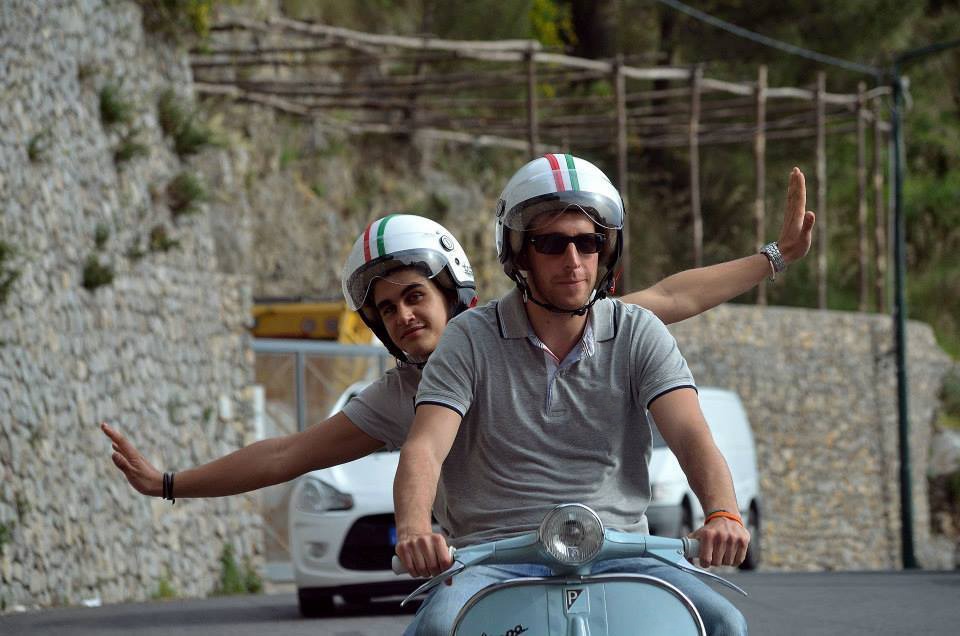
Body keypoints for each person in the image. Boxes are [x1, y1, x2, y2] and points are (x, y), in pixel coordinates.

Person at [103, 166, 812, 544]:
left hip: (607, 549)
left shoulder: (597, 321)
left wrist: (774, 257)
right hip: (491, 561)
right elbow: (291, 452)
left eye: (415, 296)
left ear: (454, 290)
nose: (404, 316)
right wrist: (170, 482)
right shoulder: (407, 390)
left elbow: (675, 298)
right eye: (386, 309)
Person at [392, 155, 793, 635]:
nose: (573, 260)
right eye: (551, 243)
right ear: (519, 255)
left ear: (607, 250)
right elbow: (425, 447)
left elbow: (691, 435)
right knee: (437, 628)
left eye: (588, 242)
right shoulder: (468, 338)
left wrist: (723, 512)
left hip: (622, 553)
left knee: (724, 622)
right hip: (493, 559)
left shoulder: (637, 331)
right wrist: (415, 531)